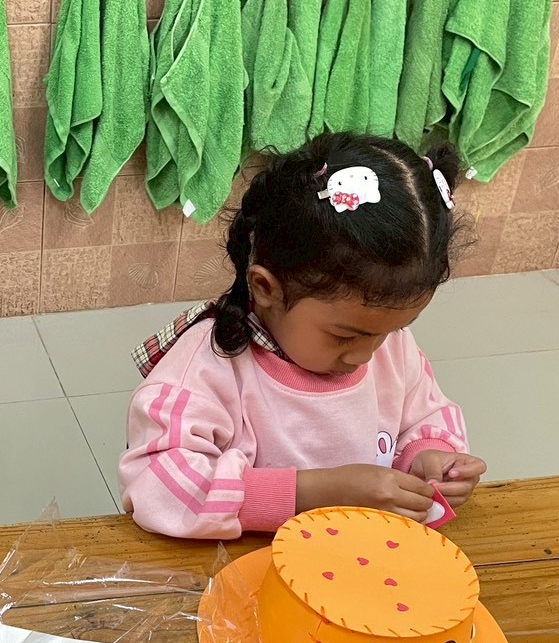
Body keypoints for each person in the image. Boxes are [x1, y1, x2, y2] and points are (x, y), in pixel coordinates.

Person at [120, 132, 486, 540]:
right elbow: (159, 486)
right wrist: (316, 492)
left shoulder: (386, 346)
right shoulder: (208, 369)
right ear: (266, 288)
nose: (365, 356)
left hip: (357, 556)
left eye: (392, 330)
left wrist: (429, 458)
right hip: (243, 564)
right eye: (344, 336)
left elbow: (426, 415)